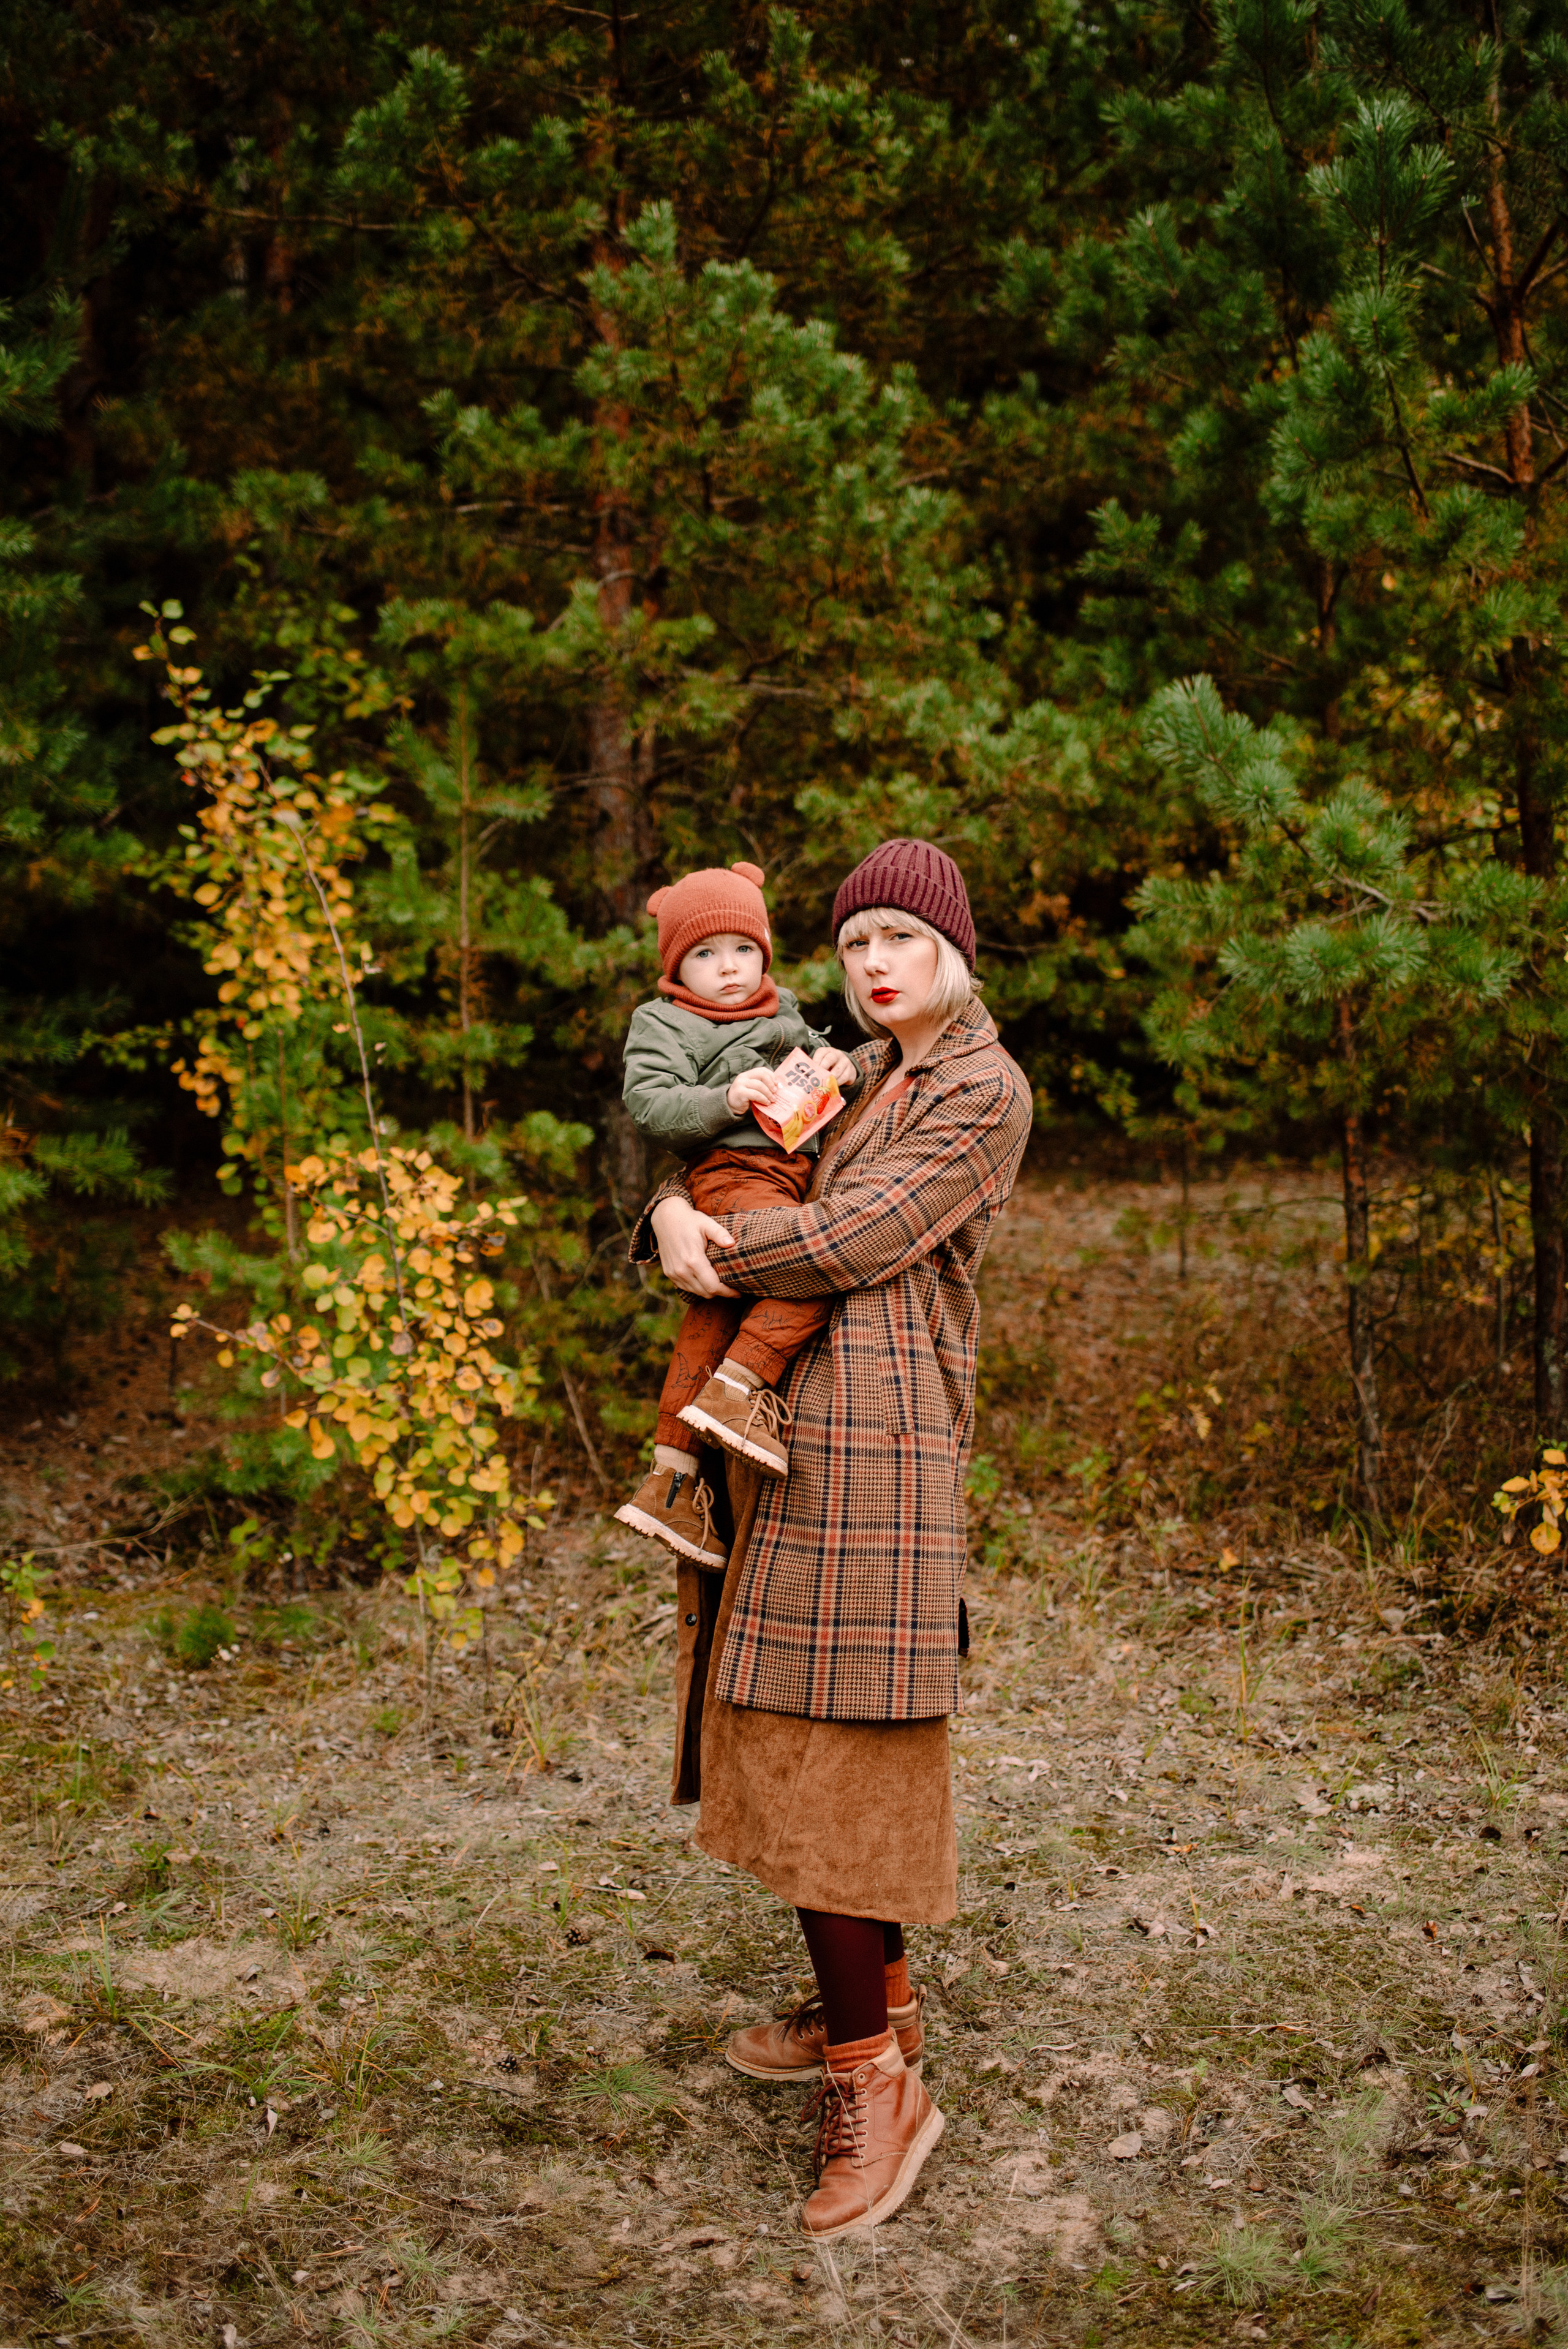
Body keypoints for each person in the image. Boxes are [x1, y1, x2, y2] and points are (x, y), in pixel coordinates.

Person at [632, 837, 1031, 2242]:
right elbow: (726, 1154)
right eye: (854, 939)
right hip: (782, 1432)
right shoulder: (848, 1067)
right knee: (792, 1731)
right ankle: (880, 2004)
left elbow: (855, 1233)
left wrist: (707, 1248)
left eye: (900, 942)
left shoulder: (979, 1087)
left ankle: (878, 2090)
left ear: (953, 954)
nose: (871, 963)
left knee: (833, 1753)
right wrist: (673, 1204)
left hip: (879, 1452)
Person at [613, 861, 860, 1568]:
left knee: (714, 1310)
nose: (729, 968)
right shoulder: (664, 1022)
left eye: (743, 949)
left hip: (790, 1171)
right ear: (675, 964)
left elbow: (828, 1072)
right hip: (733, 1174)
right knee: (812, 1270)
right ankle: (738, 1390)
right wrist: (722, 1099)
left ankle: (671, 1482)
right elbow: (650, 1102)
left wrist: (845, 1067)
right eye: (705, 953)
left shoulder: (780, 1011)